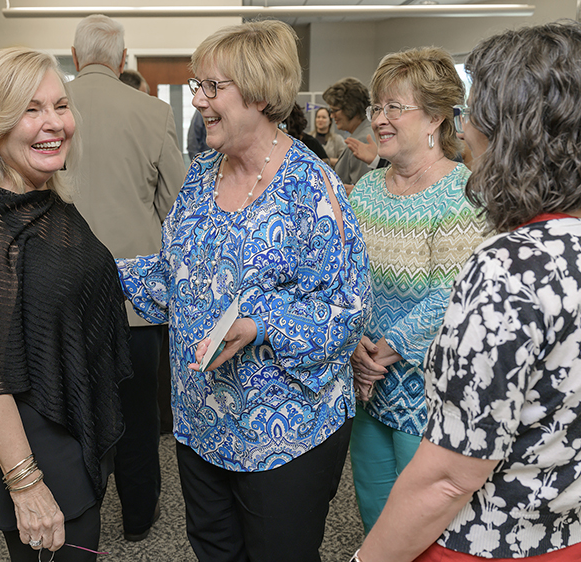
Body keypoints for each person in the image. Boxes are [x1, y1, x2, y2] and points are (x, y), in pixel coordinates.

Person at [350, 21, 581, 562]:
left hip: (491, 547)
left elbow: (447, 479)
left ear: (515, 134)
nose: (465, 133)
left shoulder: (508, 267)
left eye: (475, 116)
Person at [117, 20, 370, 562]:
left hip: (285, 433)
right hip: (201, 420)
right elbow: (172, 278)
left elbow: (347, 309)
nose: (199, 102)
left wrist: (259, 325)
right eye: (197, 86)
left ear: (258, 93)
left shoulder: (311, 187)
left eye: (213, 88)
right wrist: (97, 269)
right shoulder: (202, 174)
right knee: (215, 552)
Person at [0, 47, 132, 562]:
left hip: (62, 408)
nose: (54, 124)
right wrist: (25, 483)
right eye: (30, 109)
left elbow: (82, 281)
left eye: (60, 106)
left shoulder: (42, 198)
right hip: (25, 429)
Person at [346, 46, 487, 536]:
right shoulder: (364, 190)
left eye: (394, 108)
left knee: (426, 531)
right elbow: (346, 276)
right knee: (374, 514)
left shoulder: (461, 192)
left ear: (435, 118)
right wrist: (355, 345)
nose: (381, 120)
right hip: (367, 388)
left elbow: (455, 292)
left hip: (427, 398)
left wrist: (384, 350)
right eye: (377, 107)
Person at [65, 14, 185, 542]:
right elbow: (178, 209)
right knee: (137, 414)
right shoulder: (153, 113)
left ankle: (76, 517)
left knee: (69, 411)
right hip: (134, 297)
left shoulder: (47, 109)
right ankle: (138, 517)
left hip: (62, 292)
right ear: (122, 60)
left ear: (74, 57)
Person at [322, 77, 386, 192]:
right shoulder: (361, 134)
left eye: (335, 110)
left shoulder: (362, 140)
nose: (332, 116)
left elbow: (363, 190)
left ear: (351, 109)